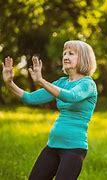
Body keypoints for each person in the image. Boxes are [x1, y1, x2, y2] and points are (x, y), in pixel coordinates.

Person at [2, 40, 97, 180]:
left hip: (74, 148)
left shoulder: (88, 84)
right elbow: (30, 98)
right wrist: (9, 83)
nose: (65, 56)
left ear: (83, 58)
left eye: (71, 53)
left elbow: (71, 96)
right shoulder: (62, 82)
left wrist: (41, 81)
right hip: (52, 145)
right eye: (64, 53)